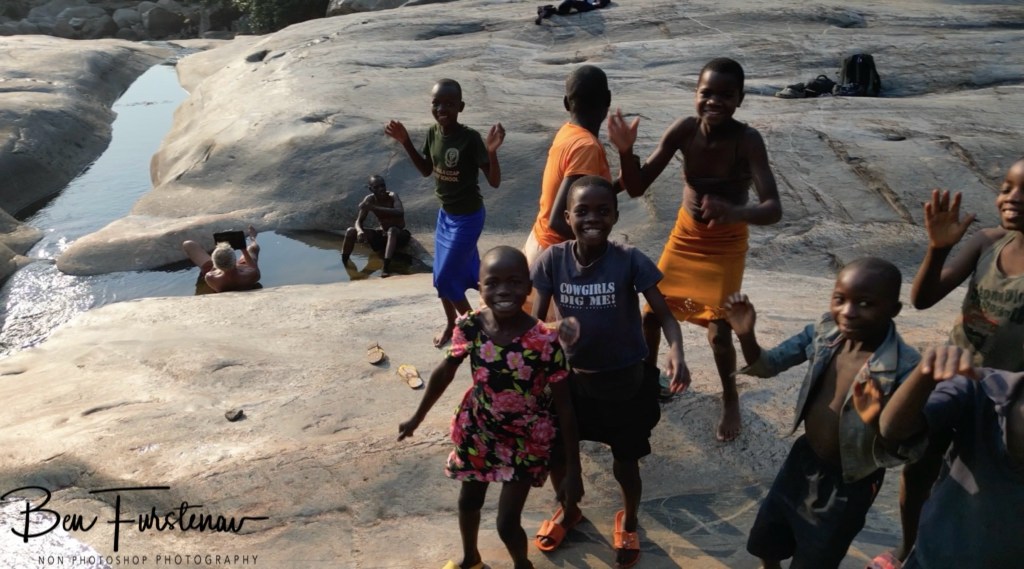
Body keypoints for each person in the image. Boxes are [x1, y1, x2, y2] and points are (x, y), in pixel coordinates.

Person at [530, 176, 690, 569]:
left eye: (603, 210)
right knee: (558, 454)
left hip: (624, 382)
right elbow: (533, 328)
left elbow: (666, 318)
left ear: (616, 215)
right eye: (582, 211)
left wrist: (676, 351)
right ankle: (569, 510)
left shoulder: (629, 259)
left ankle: (630, 519)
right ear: (567, 217)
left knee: (626, 461)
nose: (592, 218)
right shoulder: (553, 260)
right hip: (570, 384)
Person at [724, 257, 924, 569]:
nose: (848, 312)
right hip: (802, 461)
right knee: (767, 539)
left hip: (850, 483)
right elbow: (769, 364)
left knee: (815, 559)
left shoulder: (907, 367)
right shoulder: (824, 332)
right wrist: (746, 336)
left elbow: (909, 445)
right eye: (840, 299)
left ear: (893, 310)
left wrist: (877, 417)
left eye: (865, 303)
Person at [620, 57, 782, 442]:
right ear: (695, 94)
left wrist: (735, 211)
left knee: (719, 331)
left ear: (740, 99)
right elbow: (637, 186)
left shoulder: (748, 140)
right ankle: (647, 382)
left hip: (726, 245)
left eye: (726, 95)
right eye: (706, 93)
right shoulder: (685, 131)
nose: (715, 101)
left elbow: (773, 207)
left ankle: (730, 398)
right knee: (651, 315)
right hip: (686, 237)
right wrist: (626, 152)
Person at [873, 158, 1024, 569]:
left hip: (1003, 396)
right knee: (918, 466)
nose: (1013, 198)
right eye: (1007, 187)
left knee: (987, 482)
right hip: (952, 378)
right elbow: (923, 299)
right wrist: (937, 249)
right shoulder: (987, 242)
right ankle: (909, 546)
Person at [398, 246, 583, 569]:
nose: (503, 290)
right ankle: (471, 558)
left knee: (505, 523)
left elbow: (565, 407)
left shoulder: (543, 341)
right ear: (479, 288)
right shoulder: (470, 325)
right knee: (468, 501)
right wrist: (418, 416)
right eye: (492, 283)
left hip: (526, 440)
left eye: (514, 282)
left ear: (528, 287)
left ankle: (522, 565)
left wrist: (573, 472)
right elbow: (446, 370)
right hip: (479, 431)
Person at [853, 345, 1024, 569]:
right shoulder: (985, 388)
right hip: (932, 559)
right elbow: (896, 430)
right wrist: (925, 373)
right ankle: (906, 545)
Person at [385, 79, 505, 348]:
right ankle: (454, 324)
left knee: (447, 277)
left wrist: (492, 152)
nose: (442, 108)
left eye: (449, 104)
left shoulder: (470, 138)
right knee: (442, 275)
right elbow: (427, 169)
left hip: (469, 217)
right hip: (446, 216)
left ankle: (475, 334)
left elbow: (494, 181)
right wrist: (405, 142)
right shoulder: (432, 133)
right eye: (436, 103)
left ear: (460, 107)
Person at [523, 64, 640, 269]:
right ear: (608, 100)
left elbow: (578, 199)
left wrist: (619, 184)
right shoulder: (586, 147)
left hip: (541, 244)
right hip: (556, 257)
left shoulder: (569, 133)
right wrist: (600, 248)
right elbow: (559, 220)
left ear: (567, 104)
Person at [341, 174, 411, 278]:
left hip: (399, 235)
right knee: (350, 231)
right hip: (383, 235)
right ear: (371, 189)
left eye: (383, 186)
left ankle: (386, 267)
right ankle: (345, 264)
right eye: (377, 187)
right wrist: (360, 231)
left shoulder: (392, 196)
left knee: (392, 230)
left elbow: (399, 212)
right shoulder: (369, 200)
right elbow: (358, 221)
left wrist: (373, 208)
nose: (381, 189)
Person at [182, 225, 261, 293]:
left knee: (188, 244)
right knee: (253, 248)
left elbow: (213, 268)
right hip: (239, 273)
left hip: (220, 276)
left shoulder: (210, 277)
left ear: (215, 263)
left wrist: (217, 249)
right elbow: (253, 267)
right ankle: (252, 238)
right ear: (234, 261)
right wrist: (243, 249)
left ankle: (217, 256)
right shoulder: (251, 274)